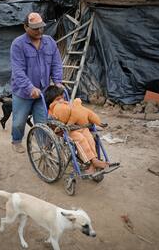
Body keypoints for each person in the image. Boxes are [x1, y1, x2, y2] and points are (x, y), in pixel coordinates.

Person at [10, 11, 63, 153]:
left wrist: (58, 82)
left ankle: (44, 148)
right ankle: (16, 140)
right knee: (19, 122)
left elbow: (56, 64)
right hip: (23, 92)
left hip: (43, 92)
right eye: (35, 28)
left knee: (42, 122)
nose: (39, 30)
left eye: (41, 27)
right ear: (25, 27)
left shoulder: (49, 42)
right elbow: (18, 71)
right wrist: (30, 88)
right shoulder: (18, 45)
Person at [45, 85, 109, 174]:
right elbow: (52, 124)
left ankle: (93, 162)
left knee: (89, 136)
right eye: (58, 99)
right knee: (80, 138)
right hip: (65, 131)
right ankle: (92, 161)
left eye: (62, 98)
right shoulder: (52, 111)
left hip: (77, 127)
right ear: (51, 102)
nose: (61, 101)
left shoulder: (67, 105)